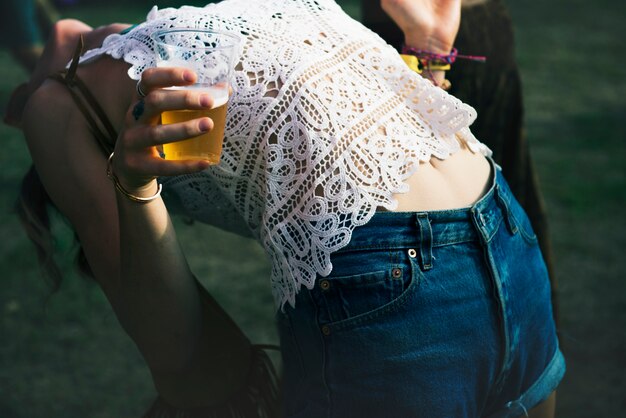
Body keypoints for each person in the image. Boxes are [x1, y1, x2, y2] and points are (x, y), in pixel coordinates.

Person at [13, 0, 564, 416]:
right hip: (425, 271)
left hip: (497, 234)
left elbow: (379, 153)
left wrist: (431, 51)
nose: (58, 28)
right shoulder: (56, 106)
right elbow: (178, 351)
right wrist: (135, 188)